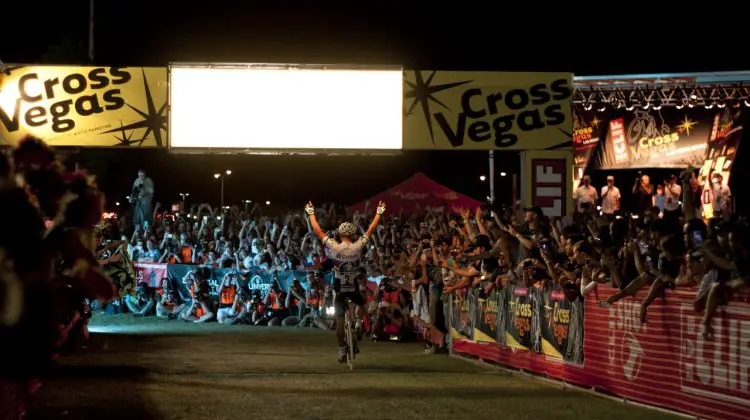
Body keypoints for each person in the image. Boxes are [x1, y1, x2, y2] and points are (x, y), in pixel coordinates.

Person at [305, 200, 386, 363]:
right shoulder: (357, 247)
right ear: (353, 235)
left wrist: (311, 214)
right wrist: (378, 213)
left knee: (339, 323)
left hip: (340, 291)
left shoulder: (334, 248)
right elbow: (370, 230)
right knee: (361, 302)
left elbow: (318, 231)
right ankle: (357, 324)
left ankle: (342, 350)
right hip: (354, 289)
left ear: (341, 235)